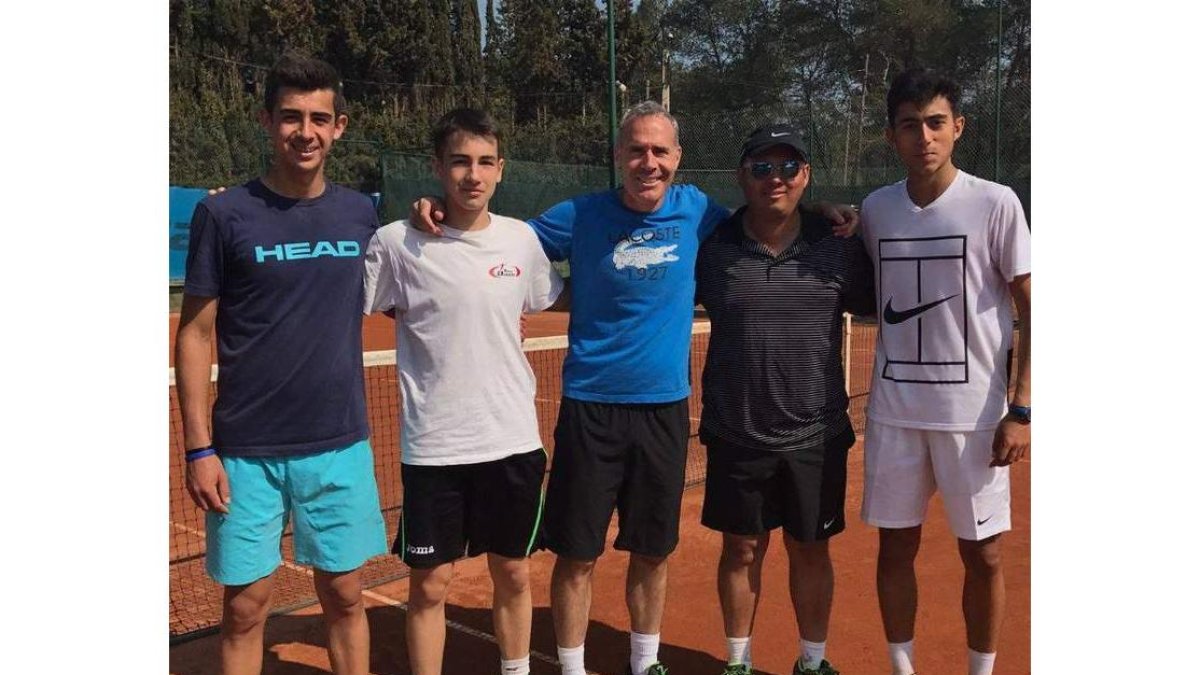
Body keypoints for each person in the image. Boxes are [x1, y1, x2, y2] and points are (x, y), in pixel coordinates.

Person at [411, 102, 860, 675]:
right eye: (636, 150)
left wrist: (821, 211)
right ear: (619, 155)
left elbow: (767, 214)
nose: (649, 162)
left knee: (653, 550)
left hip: (663, 412)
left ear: (678, 159)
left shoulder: (700, 212)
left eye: (660, 151)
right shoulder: (579, 214)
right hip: (589, 409)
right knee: (577, 554)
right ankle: (572, 667)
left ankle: (644, 662)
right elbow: (496, 237)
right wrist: (437, 208)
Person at [175, 53, 387, 675]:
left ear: (339, 126)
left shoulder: (360, 213)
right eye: (291, 116)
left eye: (320, 117)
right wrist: (198, 447)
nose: (306, 130)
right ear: (267, 121)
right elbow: (195, 332)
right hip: (244, 452)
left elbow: (405, 284)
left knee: (345, 597)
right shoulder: (223, 214)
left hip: (339, 444)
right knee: (245, 607)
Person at [362, 108, 563, 675]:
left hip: (511, 442)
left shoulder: (522, 241)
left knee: (515, 573)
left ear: (500, 170)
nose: (472, 175)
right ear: (437, 167)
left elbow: (541, 300)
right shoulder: (396, 243)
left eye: (484, 162)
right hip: (435, 449)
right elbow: (351, 299)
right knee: (429, 586)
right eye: (459, 161)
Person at [858, 68, 1031, 675]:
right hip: (894, 417)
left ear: (958, 128)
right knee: (894, 548)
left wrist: (1023, 408)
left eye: (935, 123)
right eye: (910, 125)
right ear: (892, 136)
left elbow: (1031, 309)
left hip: (977, 421)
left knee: (983, 556)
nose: (923, 136)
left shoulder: (996, 202)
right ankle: (903, 668)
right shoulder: (876, 208)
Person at [694, 124, 874, 675]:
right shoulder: (713, 247)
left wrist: (848, 216)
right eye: (762, 167)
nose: (776, 178)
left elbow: (881, 298)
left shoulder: (838, 245)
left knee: (810, 550)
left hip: (815, 436)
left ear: (807, 176)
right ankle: (738, 663)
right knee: (742, 550)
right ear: (741, 176)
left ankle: (812, 662)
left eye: (789, 167)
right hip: (736, 432)